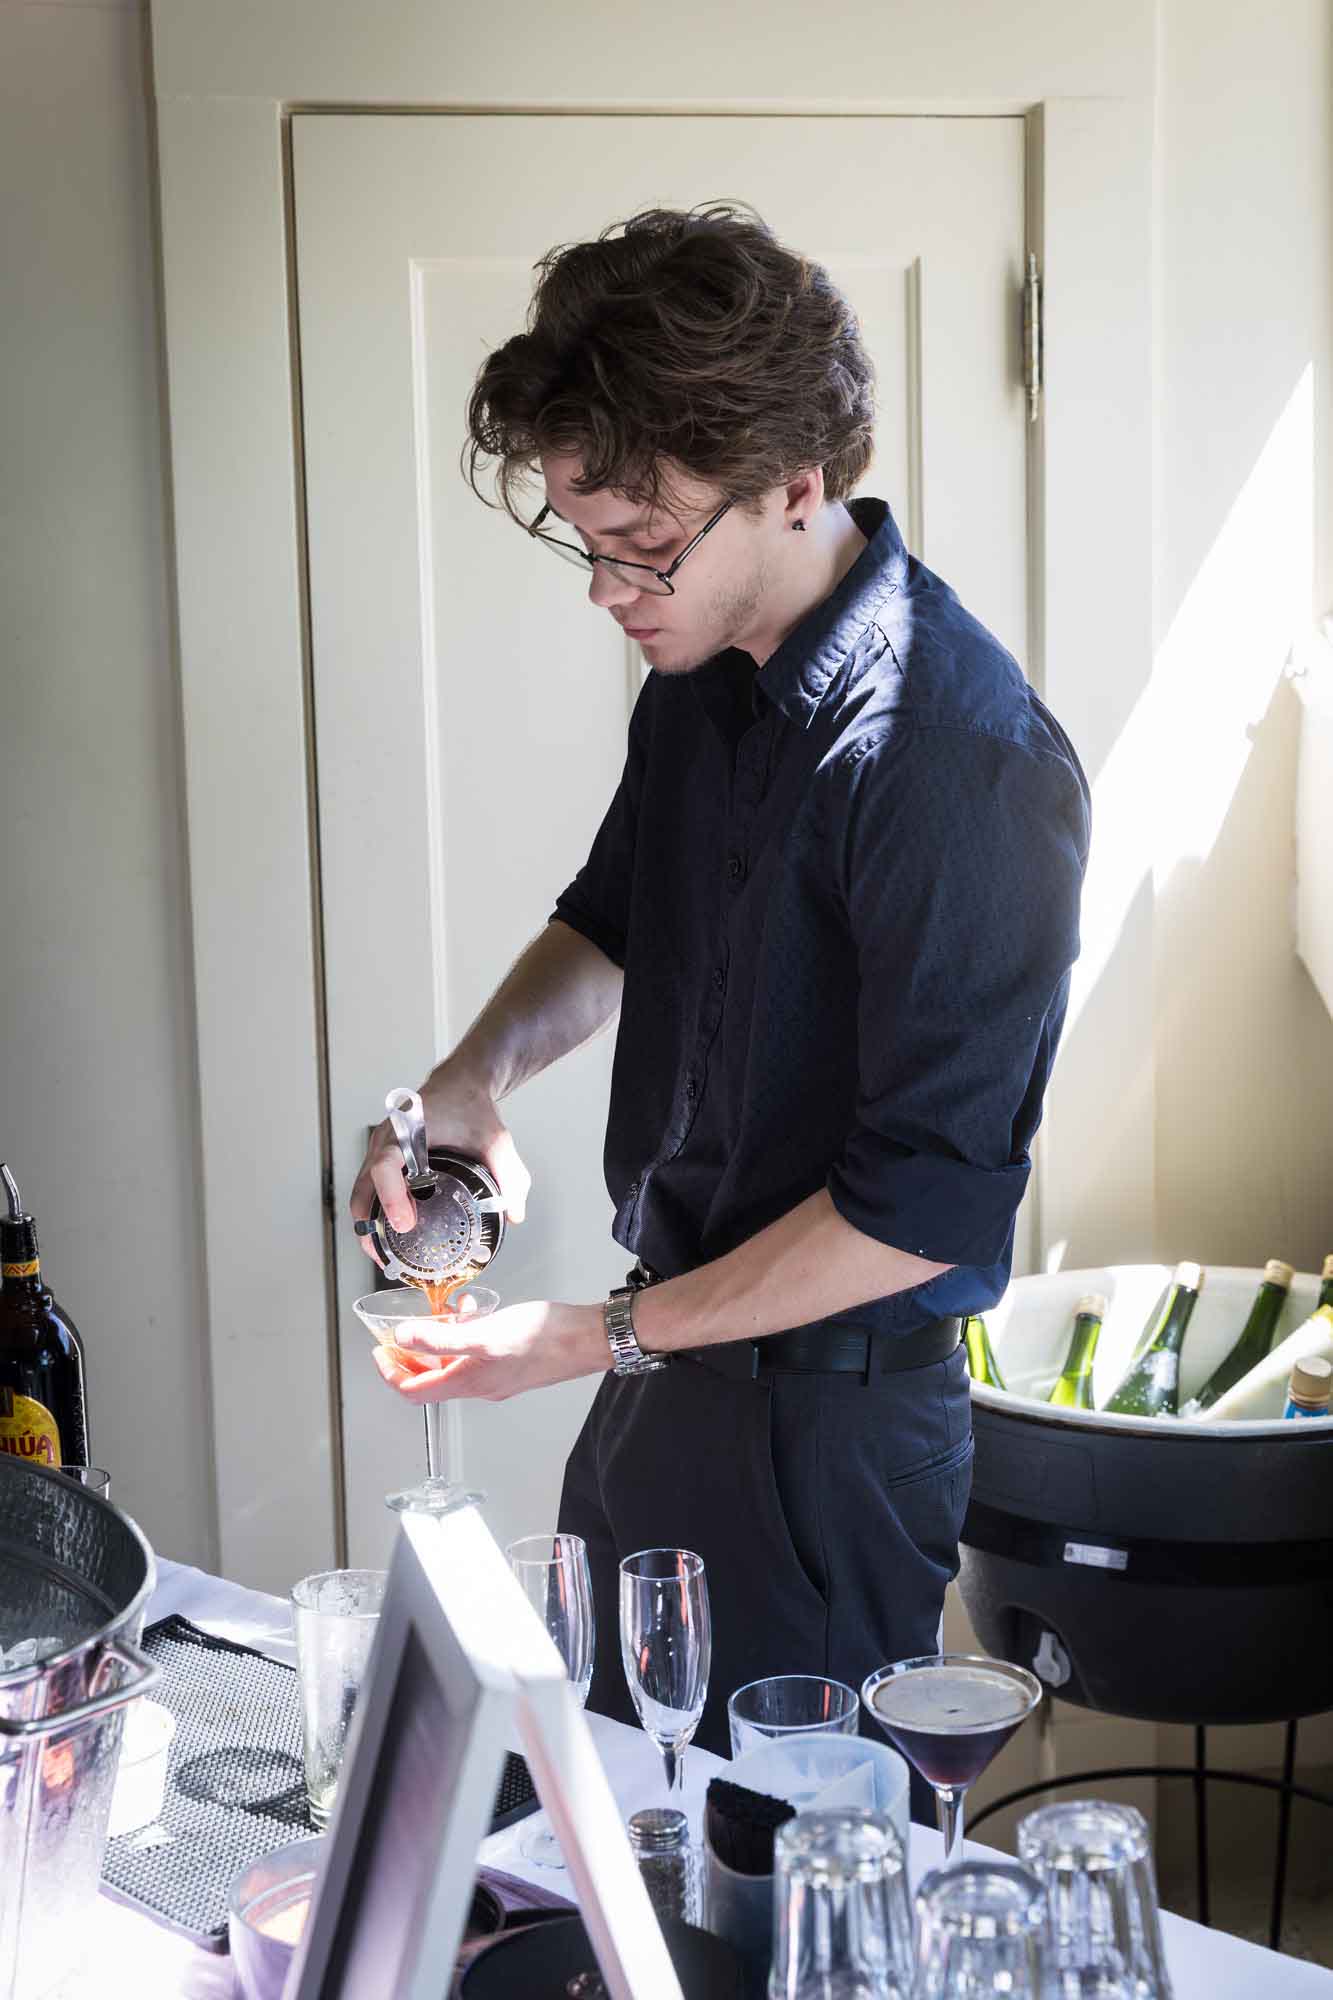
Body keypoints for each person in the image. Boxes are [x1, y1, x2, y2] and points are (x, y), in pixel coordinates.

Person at [350, 205, 1090, 1806]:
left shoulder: (957, 763)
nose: (611, 589)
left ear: (795, 486)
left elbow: (918, 1214)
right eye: (584, 539)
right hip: (665, 1378)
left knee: (770, 1900)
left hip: (828, 1444)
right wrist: (469, 1082)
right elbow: (610, 918)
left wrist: (585, 1335)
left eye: (645, 545)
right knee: (596, 1849)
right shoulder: (699, 671)